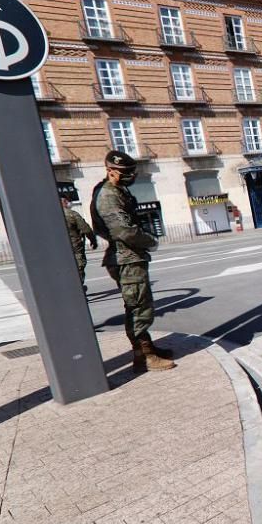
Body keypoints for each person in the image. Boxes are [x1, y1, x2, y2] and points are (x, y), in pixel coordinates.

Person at [91, 150, 175, 372]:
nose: (131, 176)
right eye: (126, 172)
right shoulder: (108, 195)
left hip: (129, 257)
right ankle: (144, 357)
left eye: (132, 172)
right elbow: (124, 230)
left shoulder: (118, 191)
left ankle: (147, 348)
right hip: (125, 259)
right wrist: (150, 241)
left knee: (140, 304)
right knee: (138, 307)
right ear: (110, 171)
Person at [61, 193, 97, 291]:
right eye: (67, 201)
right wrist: (93, 240)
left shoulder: (50, 216)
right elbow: (86, 229)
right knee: (79, 266)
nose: (68, 203)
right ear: (64, 201)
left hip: (59, 249)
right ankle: (78, 288)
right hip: (75, 246)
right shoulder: (72, 214)